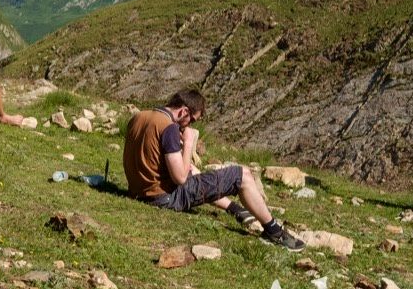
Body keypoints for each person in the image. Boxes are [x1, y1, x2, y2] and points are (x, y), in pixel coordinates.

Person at [123, 88, 305, 250]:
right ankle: (274, 231)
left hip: (139, 191)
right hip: (164, 198)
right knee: (242, 175)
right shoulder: (169, 128)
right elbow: (179, 179)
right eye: (191, 120)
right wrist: (188, 143)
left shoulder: (140, 116)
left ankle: (235, 208)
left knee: (193, 170)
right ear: (184, 111)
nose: (189, 125)